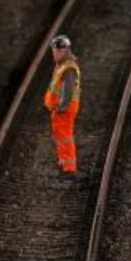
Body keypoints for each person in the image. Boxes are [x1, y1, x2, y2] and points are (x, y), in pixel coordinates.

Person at [43, 35, 81, 179]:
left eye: (57, 51)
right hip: (60, 109)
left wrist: (63, 106)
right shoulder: (63, 65)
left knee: (65, 137)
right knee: (61, 136)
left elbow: (68, 90)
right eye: (54, 51)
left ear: (64, 51)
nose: (54, 54)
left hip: (65, 109)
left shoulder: (68, 68)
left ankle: (69, 168)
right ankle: (64, 162)